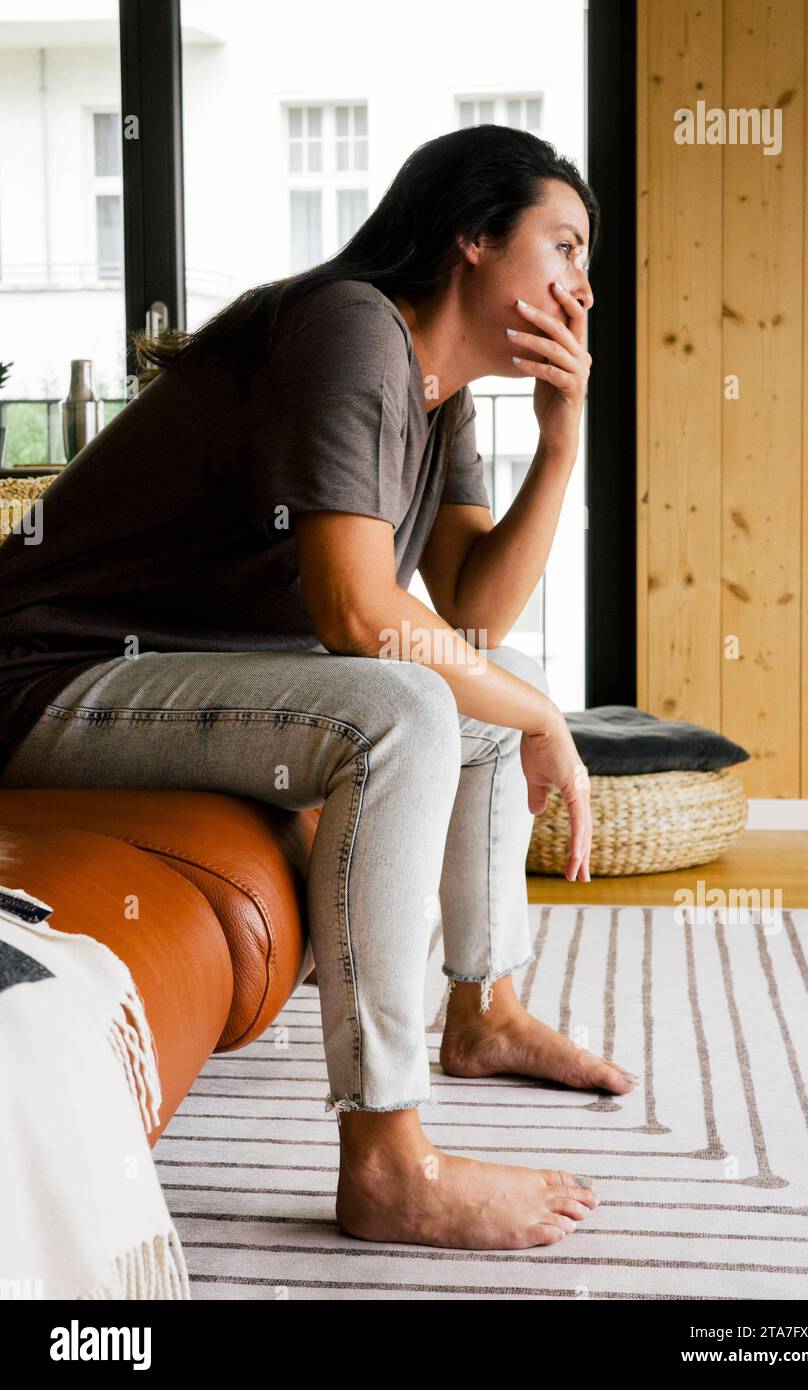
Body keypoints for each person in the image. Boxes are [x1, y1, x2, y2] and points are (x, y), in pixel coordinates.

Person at [0, 124, 638, 1252]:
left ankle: (480, 1011)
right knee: (412, 708)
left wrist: (562, 434)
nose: (583, 287)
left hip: (160, 672)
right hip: (45, 677)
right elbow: (357, 615)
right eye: (564, 245)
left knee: (497, 684)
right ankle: (388, 1161)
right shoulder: (351, 329)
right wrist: (537, 717)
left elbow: (474, 615)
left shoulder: (441, 398)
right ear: (473, 239)